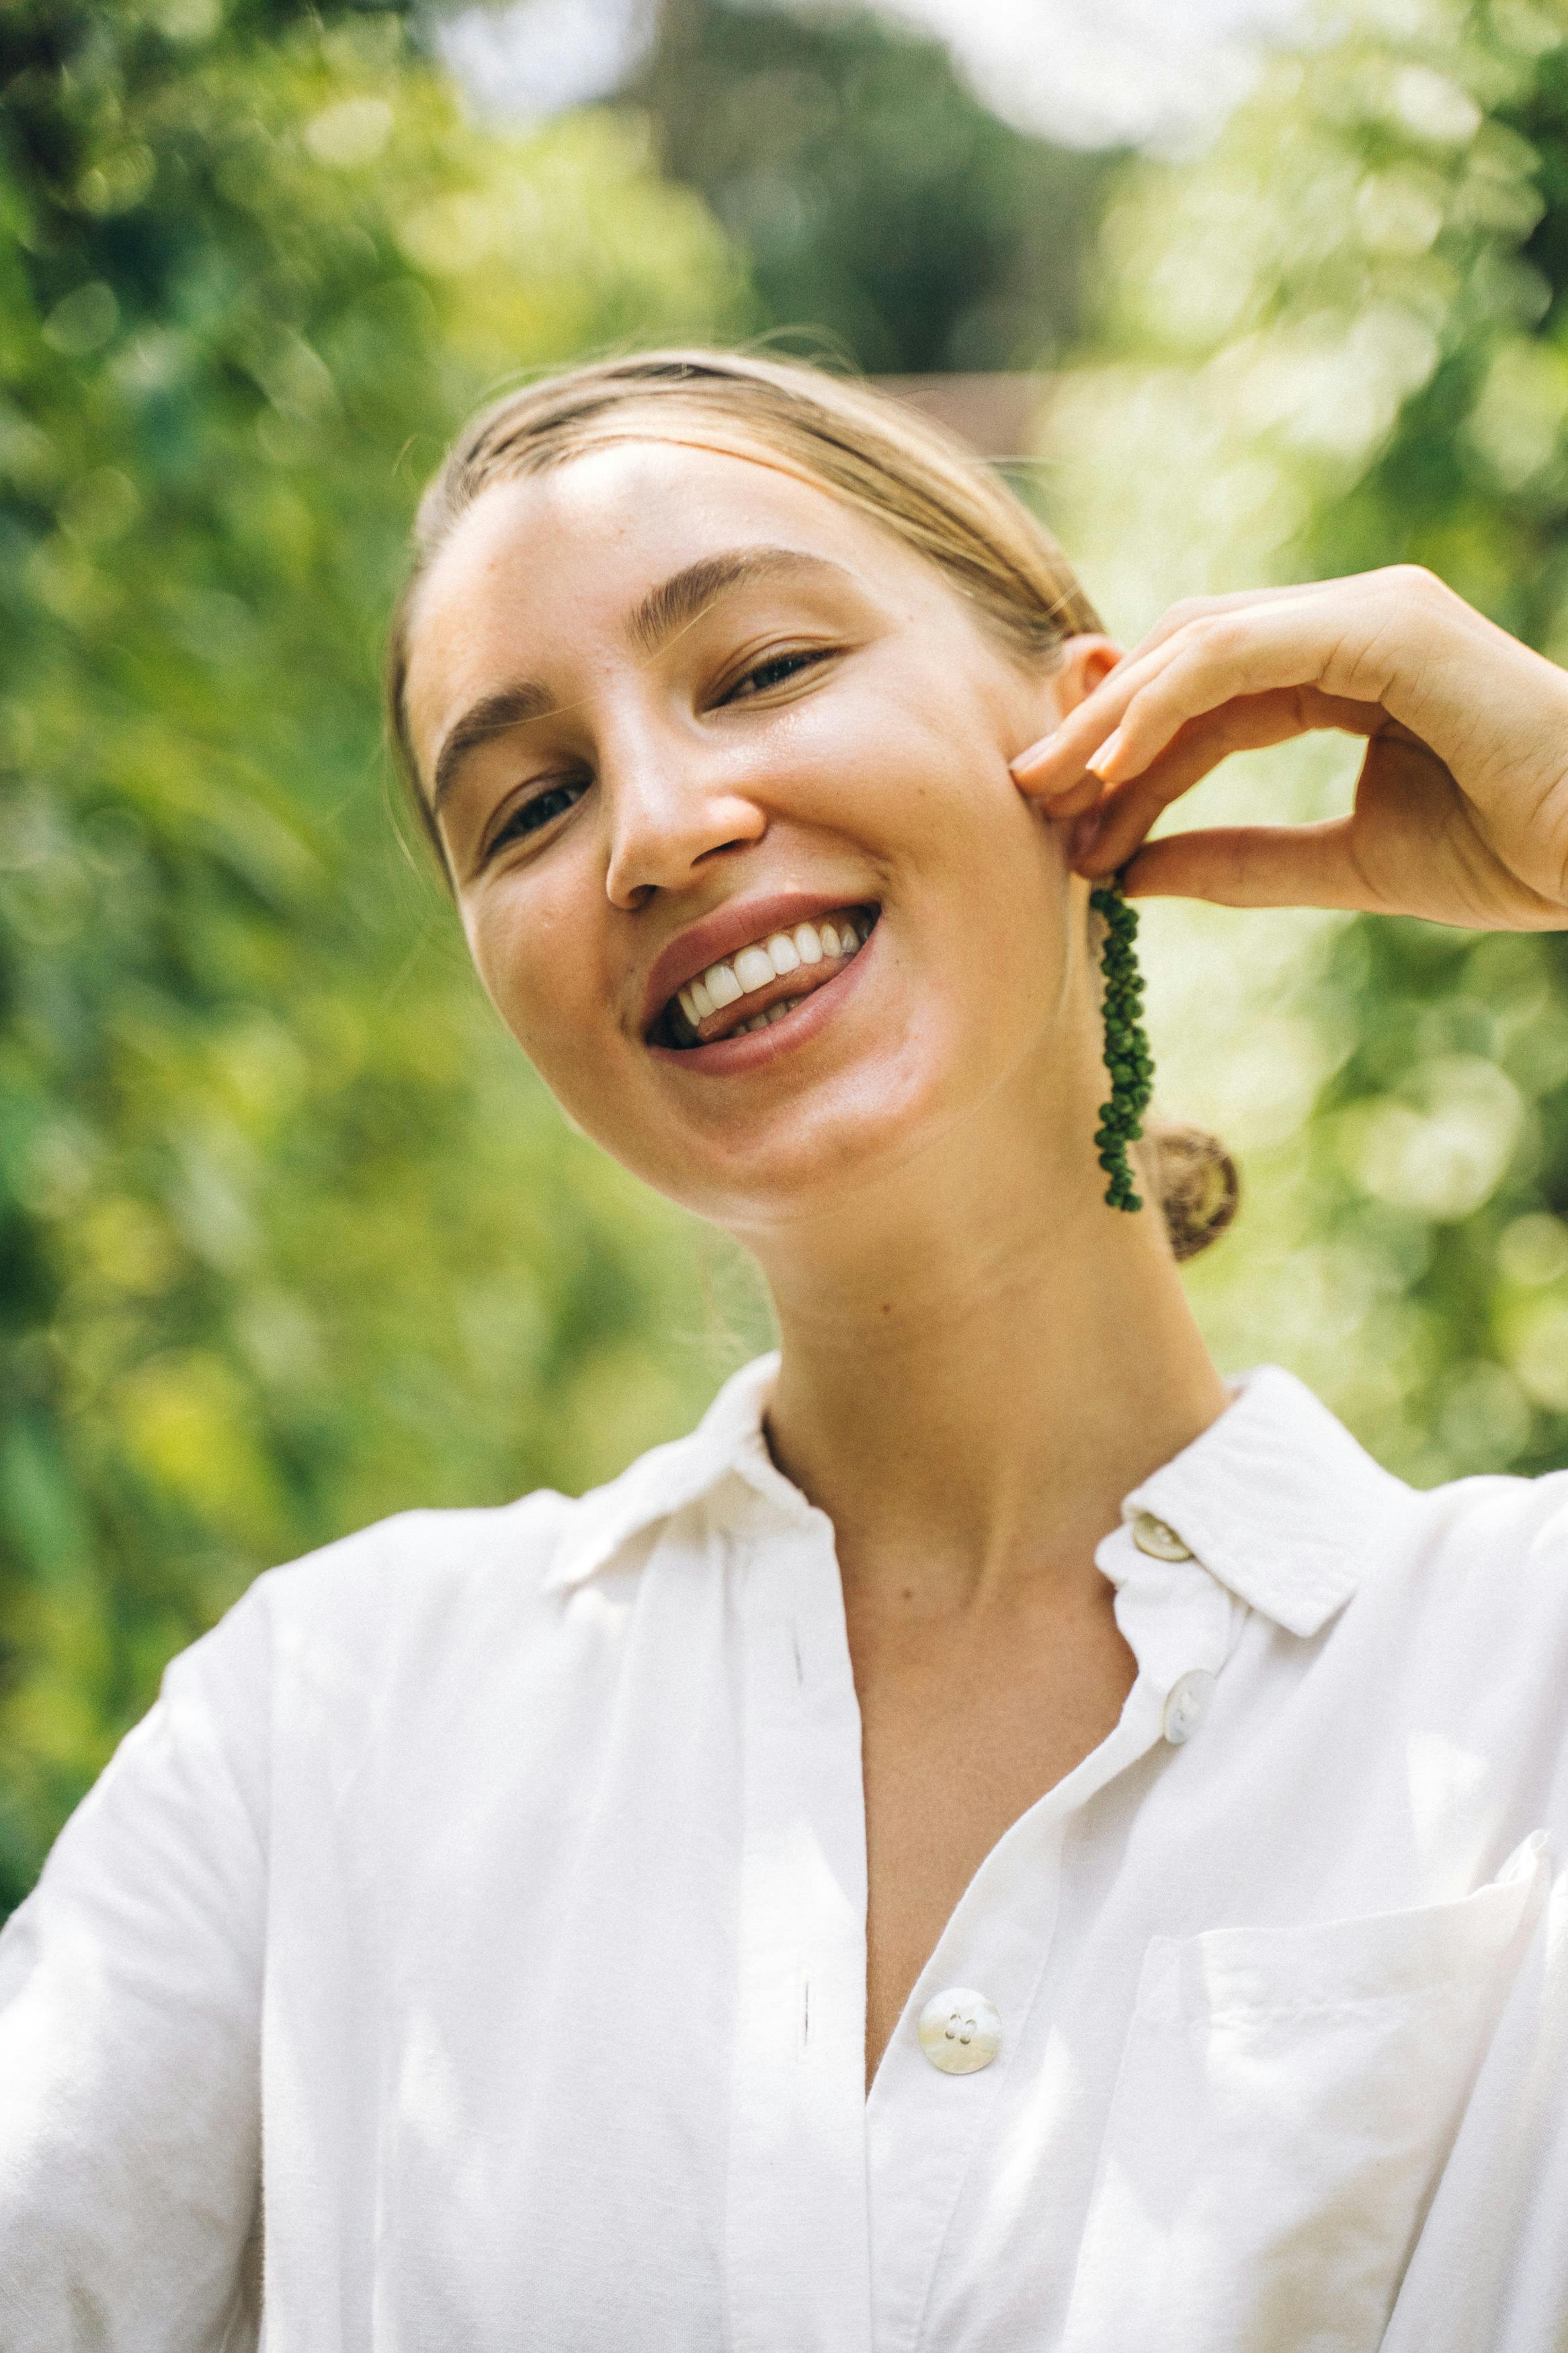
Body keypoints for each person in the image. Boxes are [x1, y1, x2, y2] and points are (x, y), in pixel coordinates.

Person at [4, 348, 1568, 2352]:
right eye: (531, 803)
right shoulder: (322, 1727)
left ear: (1098, 721)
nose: (655, 827)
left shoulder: (1526, 1675)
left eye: (757, 670)